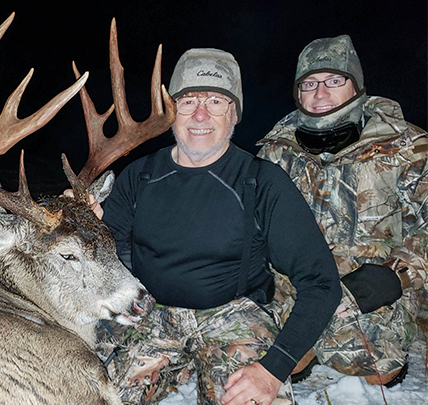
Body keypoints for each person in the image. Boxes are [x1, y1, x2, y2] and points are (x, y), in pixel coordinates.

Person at [88, 48, 342, 405]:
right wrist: (85, 224)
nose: (201, 114)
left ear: (234, 114)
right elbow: (103, 254)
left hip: (233, 319)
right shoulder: (139, 176)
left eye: (217, 101)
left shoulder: (262, 182)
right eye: (188, 101)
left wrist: (273, 369)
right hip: (151, 316)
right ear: (171, 113)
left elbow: (321, 283)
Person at [257, 34, 427, 387]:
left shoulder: (408, 145)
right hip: (295, 295)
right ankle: (302, 342)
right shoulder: (274, 152)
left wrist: (397, 274)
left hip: (366, 295)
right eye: (310, 84)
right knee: (265, 355)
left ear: (356, 88)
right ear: (298, 92)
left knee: (378, 371)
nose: (320, 94)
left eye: (334, 81)